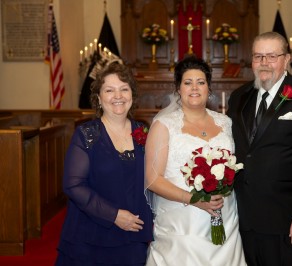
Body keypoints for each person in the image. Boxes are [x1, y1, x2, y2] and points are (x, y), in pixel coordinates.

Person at [227, 31, 292, 266]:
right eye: (258, 56)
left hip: (286, 219)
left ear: (287, 59)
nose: (264, 63)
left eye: (272, 56)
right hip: (244, 217)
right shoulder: (239, 97)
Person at [144, 56, 246, 265]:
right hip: (182, 221)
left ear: (209, 88)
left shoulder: (225, 122)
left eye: (201, 82)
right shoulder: (164, 125)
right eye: (187, 82)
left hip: (224, 214)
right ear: (178, 88)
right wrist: (194, 199)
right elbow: (153, 179)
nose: (195, 88)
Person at [55, 62, 153, 266]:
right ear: (99, 98)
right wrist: (114, 215)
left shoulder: (143, 131)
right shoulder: (87, 134)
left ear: (132, 95)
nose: (118, 96)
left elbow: (152, 179)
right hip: (91, 235)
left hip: (133, 235)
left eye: (124, 89)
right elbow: (73, 185)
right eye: (109, 90)